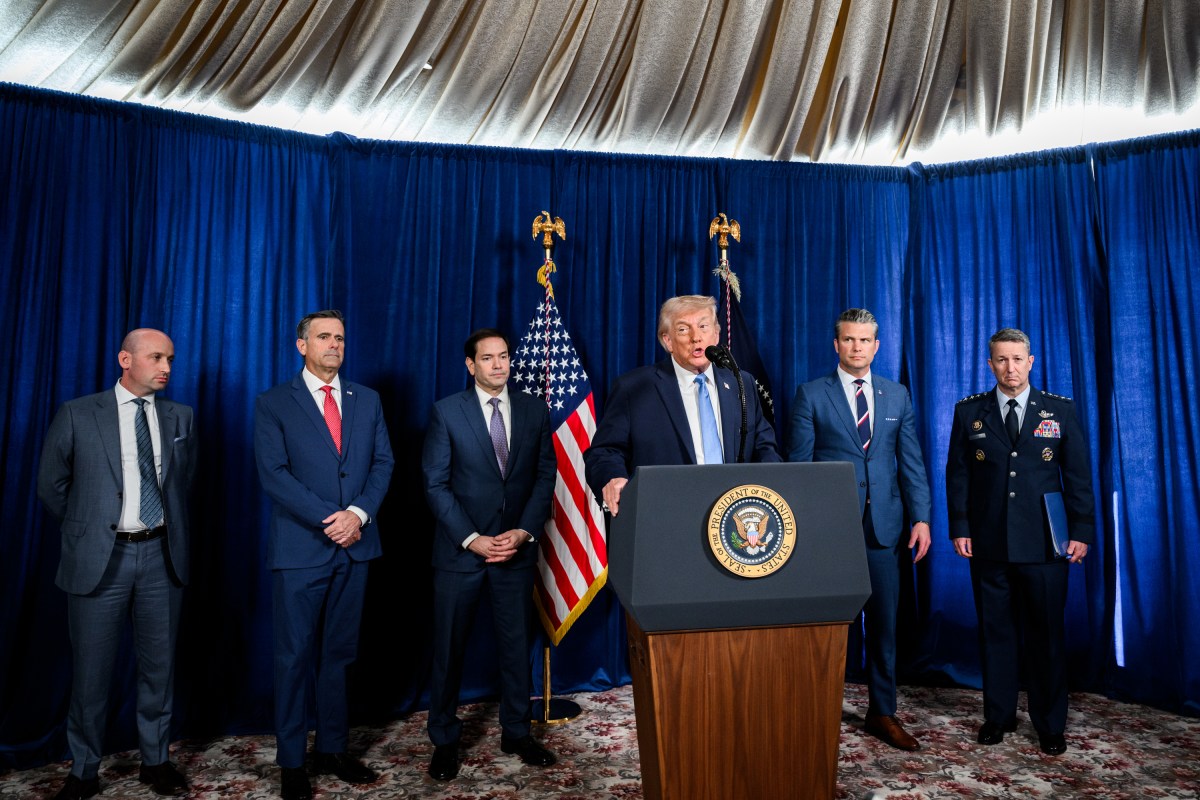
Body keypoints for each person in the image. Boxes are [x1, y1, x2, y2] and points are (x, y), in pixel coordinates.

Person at [37, 329, 197, 799]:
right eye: (156, 357)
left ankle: (156, 761)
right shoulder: (78, 413)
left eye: (169, 358)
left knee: (159, 669)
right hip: (100, 560)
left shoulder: (180, 416)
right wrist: (90, 528)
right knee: (91, 672)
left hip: (161, 556)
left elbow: (183, 485)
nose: (166, 366)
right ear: (126, 359)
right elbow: (52, 485)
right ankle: (84, 768)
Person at [254, 310, 394, 800]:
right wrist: (330, 520)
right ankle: (293, 761)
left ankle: (333, 749)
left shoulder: (367, 399)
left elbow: (383, 463)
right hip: (301, 551)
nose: (334, 345)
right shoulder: (274, 403)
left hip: (357, 547)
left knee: (340, 656)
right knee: (293, 659)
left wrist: (357, 513)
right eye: (323, 337)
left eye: (339, 337)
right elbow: (274, 475)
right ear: (301, 346)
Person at [786, 308, 932, 751]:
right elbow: (798, 468)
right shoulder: (811, 394)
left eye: (864, 340)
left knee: (886, 625)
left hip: (885, 529)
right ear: (836, 344)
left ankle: (882, 712)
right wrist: (808, 527)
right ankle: (819, 708)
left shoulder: (897, 395)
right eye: (848, 340)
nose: (856, 347)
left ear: (876, 345)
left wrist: (921, 517)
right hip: (831, 531)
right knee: (831, 627)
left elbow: (910, 463)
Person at [946, 328, 1094, 756]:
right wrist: (960, 526)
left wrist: (1081, 531)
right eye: (1001, 359)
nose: (1010, 368)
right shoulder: (969, 413)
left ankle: (1050, 724)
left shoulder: (1059, 411)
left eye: (1017, 359)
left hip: (1046, 543)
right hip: (989, 541)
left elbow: (1079, 478)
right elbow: (958, 475)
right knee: (996, 633)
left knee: (1046, 635)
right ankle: (998, 716)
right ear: (989, 364)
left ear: (1031, 362)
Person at [421, 329, 558, 781]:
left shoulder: (535, 411)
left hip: (515, 550)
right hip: (461, 553)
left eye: (504, 357)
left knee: (516, 646)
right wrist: (472, 538)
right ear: (470, 365)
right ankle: (443, 739)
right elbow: (435, 485)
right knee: (448, 649)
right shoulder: (446, 412)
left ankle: (516, 732)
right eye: (488, 358)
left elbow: (543, 478)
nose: (498, 365)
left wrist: (522, 531)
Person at [584, 294, 780, 513]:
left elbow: (765, 448)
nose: (696, 337)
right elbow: (605, 451)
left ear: (716, 335)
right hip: (666, 513)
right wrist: (613, 477)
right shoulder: (634, 388)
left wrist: (775, 483)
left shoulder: (740, 383)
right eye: (683, 329)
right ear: (667, 340)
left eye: (703, 326)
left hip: (731, 517)